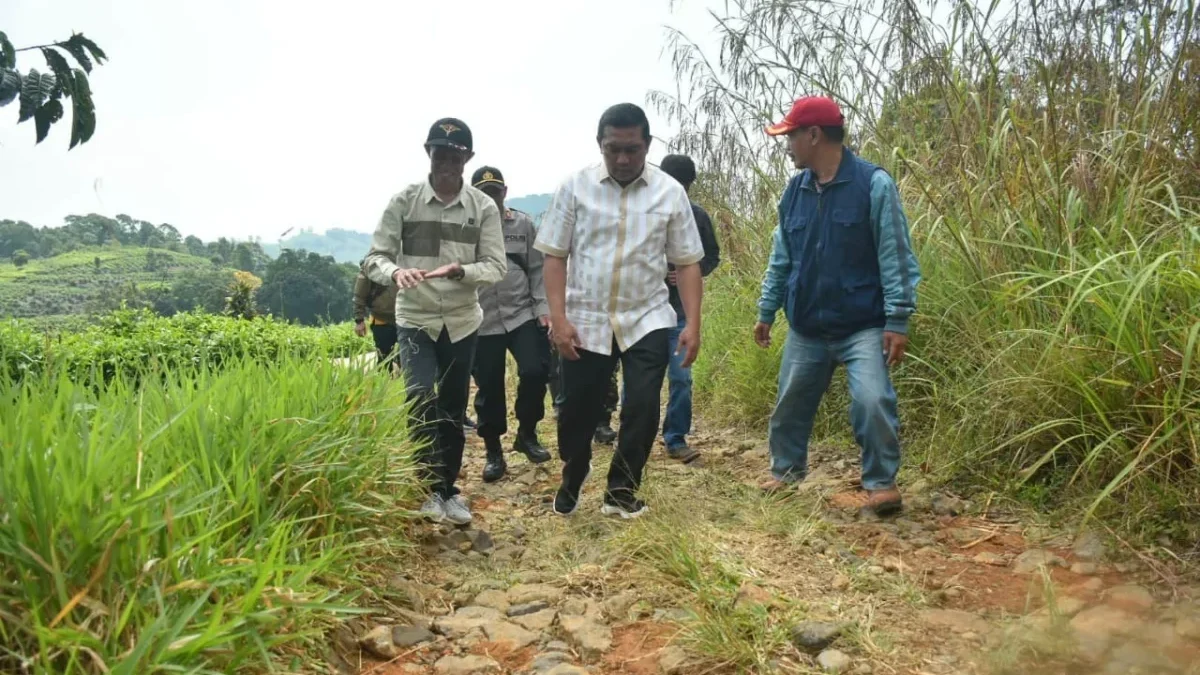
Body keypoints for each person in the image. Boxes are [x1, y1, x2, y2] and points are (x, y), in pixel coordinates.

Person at [535, 102, 706, 519]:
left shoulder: (670, 193)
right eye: (614, 149)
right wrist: (558, 319)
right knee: (576, 411)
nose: (624, 159)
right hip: (586, 318)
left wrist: (693, 324)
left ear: (647, 145)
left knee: (643, 406)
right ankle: (574, 472)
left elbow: (687, 262)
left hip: (645, 316)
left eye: (633, 149)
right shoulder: (574, 188)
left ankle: (621, 491)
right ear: (600, 145)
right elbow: (554, 256)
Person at [754, 96, 921, 518]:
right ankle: (786, 471)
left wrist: (897, 319)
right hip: (807, 325)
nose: (787, 144)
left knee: (872, 400)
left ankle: (881, 483)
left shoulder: (873, 185)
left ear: (814, 135)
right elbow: (782, 256)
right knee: (790, 402)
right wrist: (766, 309)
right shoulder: (795, 190)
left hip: (862, 324)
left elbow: (895, 255)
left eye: (790, 135)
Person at [363, 117, 506, 526]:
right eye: (439, 152)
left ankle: (448, 489)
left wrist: (463, 271)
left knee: (452, 405)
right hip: (416, 318)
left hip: (462, 321)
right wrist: (394, 273)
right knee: (420, 395)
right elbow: (375, 257)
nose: (447, 160)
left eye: (455, 154)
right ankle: (427, 487)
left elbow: (496, 266)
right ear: (428, 153)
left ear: (468, 158)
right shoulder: (404, 201)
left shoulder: (482, 208)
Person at [468, 165, 554, 482]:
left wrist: (543, 308)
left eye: (494, 191)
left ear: (504, 192)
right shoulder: (463, 228)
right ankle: (493, 451)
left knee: (534, 371)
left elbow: (537, 269)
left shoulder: (522, 224)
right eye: (482, 192)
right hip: (481, 319)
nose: (489, 198)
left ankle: (527, 434)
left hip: (522, 314)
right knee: (489, 387)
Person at [657, 154, 721, 462]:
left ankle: (676, 437)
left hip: (681, 313)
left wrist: (689, 271)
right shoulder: (646, 212)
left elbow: (711, 257)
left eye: (684, 185)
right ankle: (634, 435)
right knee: (637, 381)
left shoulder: (698, 217)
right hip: (646, 312)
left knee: (681, 378)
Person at [352, 261, 399, 372]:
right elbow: (359, 294)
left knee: (410, 356)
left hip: (408, 319)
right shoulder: (372, 264)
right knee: (384, 359)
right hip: (381, 320)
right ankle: (384, 386)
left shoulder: (408, 258)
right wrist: (359, 320)